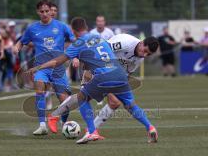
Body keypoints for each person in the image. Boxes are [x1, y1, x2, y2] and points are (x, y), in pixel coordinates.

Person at [27, 17, 158, 144]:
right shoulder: (103, 38)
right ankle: (150, 128)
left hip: (103, 74)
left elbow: (57, 61)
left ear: (73, 31)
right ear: (87, 28)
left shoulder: (78, 43)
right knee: (129, 105)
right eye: (145, 51)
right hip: (116, 74)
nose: (144, 55)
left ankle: (90, 130)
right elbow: (105, 51)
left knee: (82, 97)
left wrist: (38, 67)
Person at [13, 0, 75, 135]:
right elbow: (21, 42)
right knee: (39, 87)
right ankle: (42, 125)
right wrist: (16, 47)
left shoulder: (61, 26)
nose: (45, 14)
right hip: (41, 68)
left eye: (47, 11)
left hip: (58, 68)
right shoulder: (32, 28)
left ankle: (64, 124)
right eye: (42, 11)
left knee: (65, 101)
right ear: (38, 12)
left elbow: (74, 41)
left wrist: (75, 56)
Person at [90, 15, 115, 105]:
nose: (100, 23)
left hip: (108, 59)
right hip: (96, 59)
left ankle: (109, 97)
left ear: (104, 22)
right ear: (96, 22)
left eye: (102, 21)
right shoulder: (92, 33)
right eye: (98, 21)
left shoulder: (110, 32)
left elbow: (113, 45)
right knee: (97, 78)